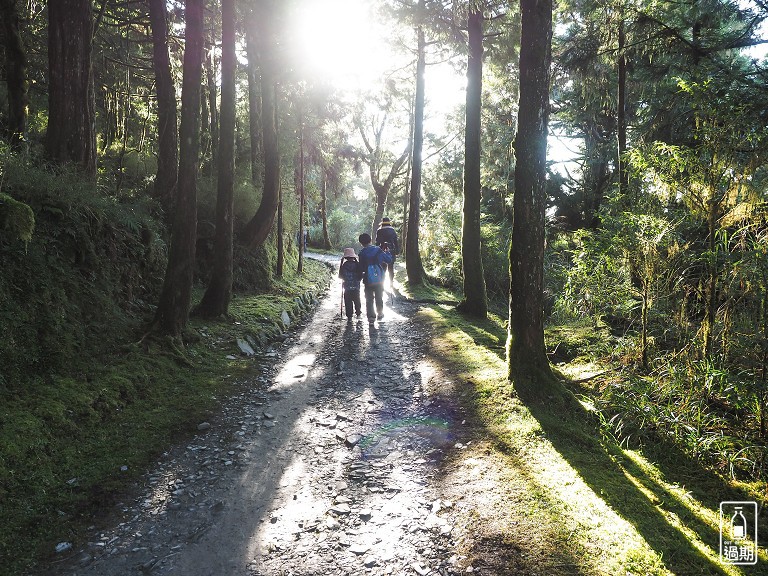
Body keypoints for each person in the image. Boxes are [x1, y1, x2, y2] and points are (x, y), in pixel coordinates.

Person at [357, 232, 393, 323]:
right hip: (379, 278)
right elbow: (389, 260)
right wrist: (387, 252)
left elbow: (361, 268)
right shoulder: (378, 250)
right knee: (379, 297)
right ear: (370, 240)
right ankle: (380, 313)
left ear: (361, 243)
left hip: (367, 280)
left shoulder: (361, 253)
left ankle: (371, 317)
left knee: (369, 299)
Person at [338, 247, 362, 320]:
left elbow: (340, 276)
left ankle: (349, 316)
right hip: (356, 287)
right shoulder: (357, 265)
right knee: (357, 300)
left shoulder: (344, 265)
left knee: (348, 301)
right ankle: (358, 313)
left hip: (347, 287)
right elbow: (360, 276)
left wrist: (341, 263)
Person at [375, 217, 399, 285]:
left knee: (383, 268)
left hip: (381, 250)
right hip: (391, 250)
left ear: (382, 224)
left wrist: (376, 251)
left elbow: (377, 242)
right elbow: (395, 241)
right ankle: (391, 282)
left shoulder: (379, 231)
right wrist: (397, 251)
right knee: (391, 268)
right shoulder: (392, 231)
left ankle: (382, 282)